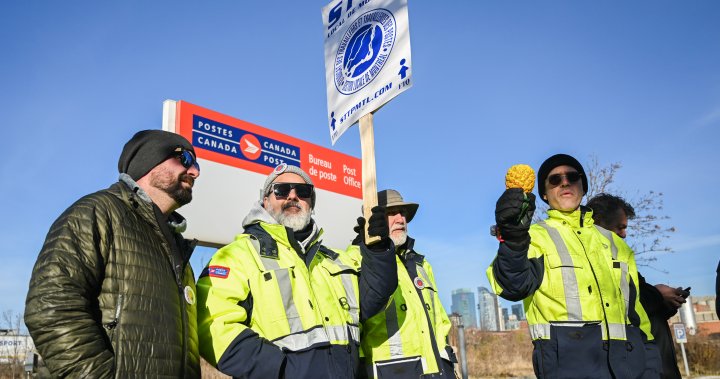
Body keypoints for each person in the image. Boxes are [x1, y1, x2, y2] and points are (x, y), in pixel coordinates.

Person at [25, 129, 202, 377]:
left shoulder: (177, 246)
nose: (194, 171)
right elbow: (50, 308)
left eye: (196, 165)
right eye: (185, 159)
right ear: (149, 161)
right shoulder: (96, 213)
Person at [196, 163, 397, 379]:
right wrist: (282, 370)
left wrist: (377, 251)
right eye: (282, 190)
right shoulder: (237, 255)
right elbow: (214, 326)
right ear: (265, 200)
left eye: (303, 192)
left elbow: (373, 300)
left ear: (311, 203)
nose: (293, 196)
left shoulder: (334, 259)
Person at [486, 153, 661, 379]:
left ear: (583, 186)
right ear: (544, 194)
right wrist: (514, 238)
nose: (565, 182)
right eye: (555, 180)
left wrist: (652, 365)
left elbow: (637, 315)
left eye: (572, 176)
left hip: (631, 368)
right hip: (569, 368)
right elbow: (512, 286)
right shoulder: (534, 237)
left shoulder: (616, 244)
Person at [355, 189, 457, 379]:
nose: (400, 219)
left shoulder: (421, 265)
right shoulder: (356, 260)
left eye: (403, 213)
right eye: (391, 213)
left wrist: (448, 368)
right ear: (373, 219)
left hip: (437, 372)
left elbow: (441, 324)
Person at [588, 193, 688, 379]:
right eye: (620, 227)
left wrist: (666, 302)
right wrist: (658, 294)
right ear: (599, 223)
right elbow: (633, 302)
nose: (624, 234)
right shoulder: (593, 264)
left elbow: (643, 308)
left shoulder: (621, 259)